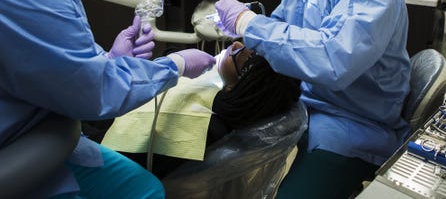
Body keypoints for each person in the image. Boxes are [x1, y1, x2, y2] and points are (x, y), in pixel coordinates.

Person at [0, 0, 215, 199]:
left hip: (46, 129)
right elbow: (93, 91)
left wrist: (110, 59)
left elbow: (51, 62)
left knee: (146, 189)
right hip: (18, 145)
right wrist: (176, 65)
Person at [215, 0, 412, 198]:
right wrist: (243, 44)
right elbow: (281, 33)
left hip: (353, 125)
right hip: (301, 109)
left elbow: (334, 61)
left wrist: (249, 24)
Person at [99, 41, 301, 179]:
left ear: (241, 87)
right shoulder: (218, 95)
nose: (236, 44)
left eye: (246, 57)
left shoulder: (205, 127)